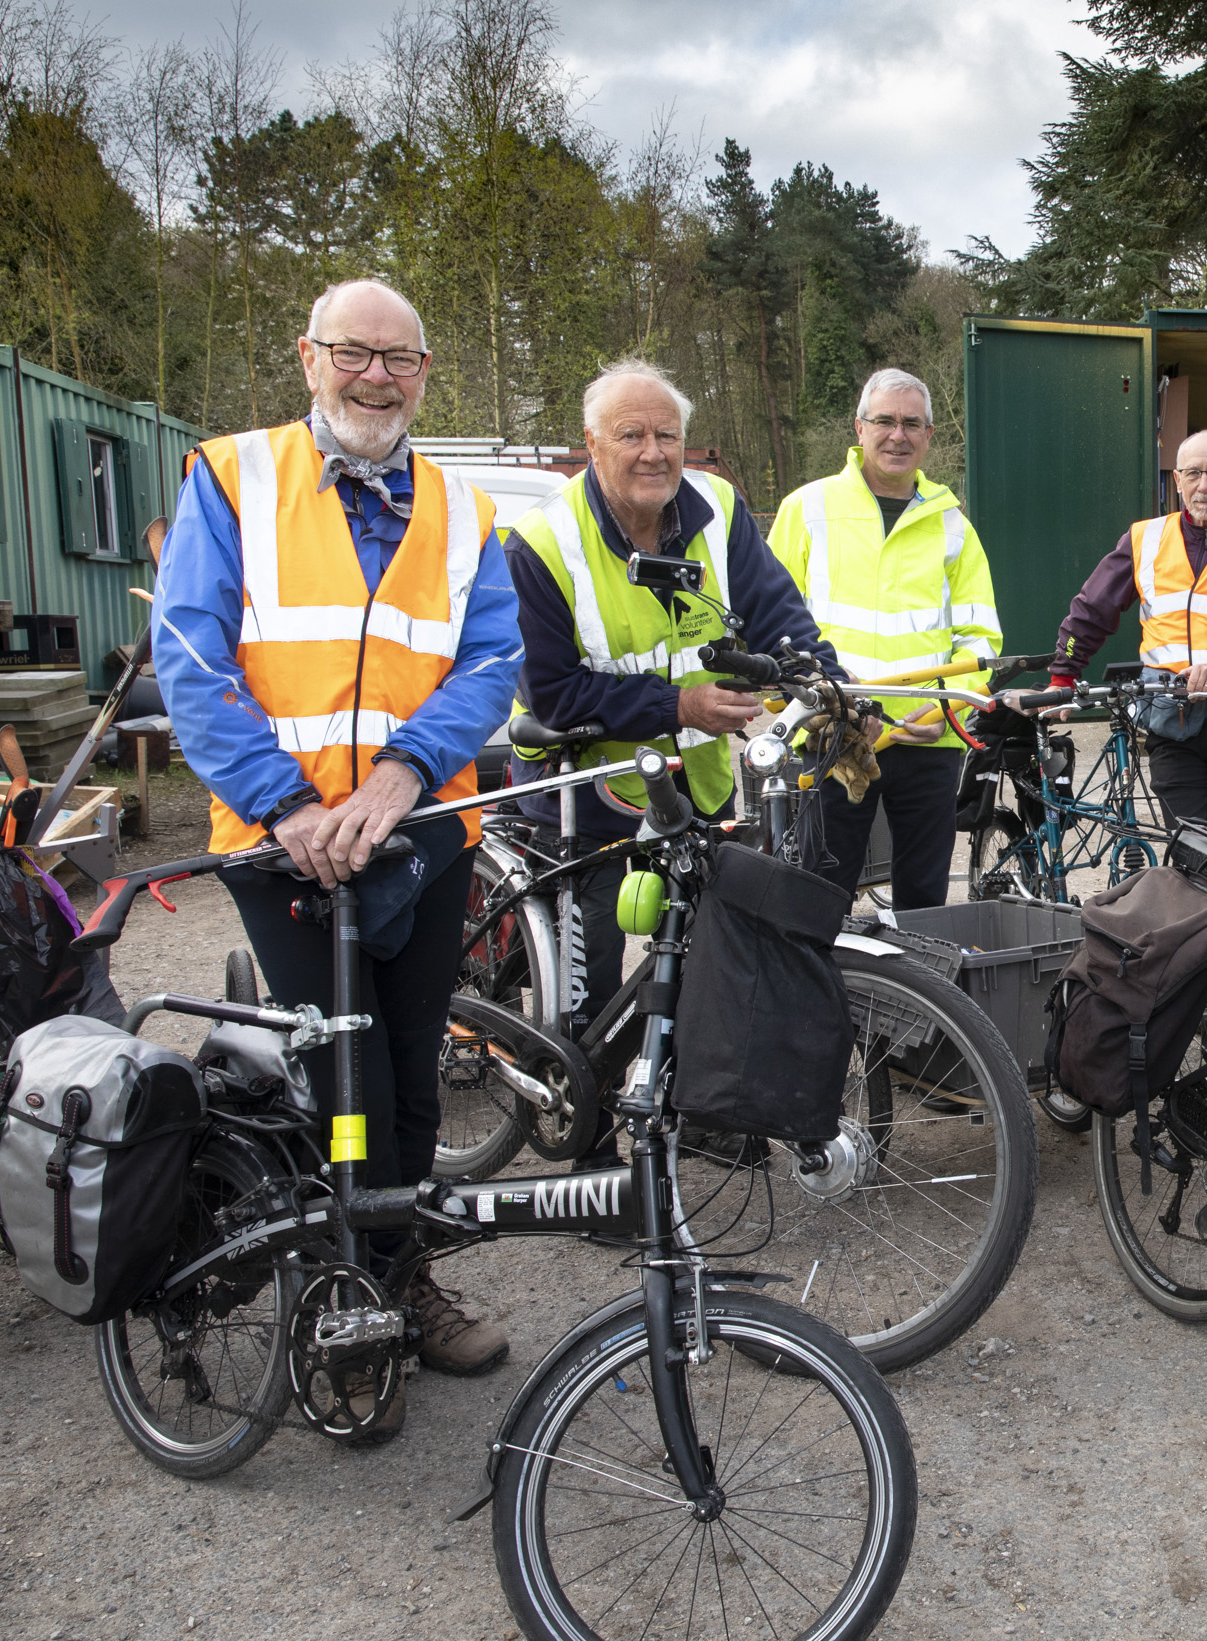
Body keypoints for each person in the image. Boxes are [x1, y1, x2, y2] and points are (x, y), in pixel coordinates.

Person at [152, 277, 523, 1424]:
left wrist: (407, 773)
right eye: (354, 354)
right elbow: (188, 655)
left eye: (399, 359)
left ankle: (401, 1279)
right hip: (286, 845)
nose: (376, 376)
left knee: (414, 1079)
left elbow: (490, 659)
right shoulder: (233, 476)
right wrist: (285, 805)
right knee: (329, 1084)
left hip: (422, 832)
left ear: (423, 372)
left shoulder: (464, 511)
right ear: (308, 359)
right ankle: (331, 1300)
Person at [505, 358, 841, 1073]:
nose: (653, 452)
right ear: (591, 444)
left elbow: (779, 615)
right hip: (582, 790)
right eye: (631, 435)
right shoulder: (543, 542)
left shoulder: (716, 507)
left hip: (694, 781)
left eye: (667, 434)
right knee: (589, 980)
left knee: (698, 952)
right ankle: (585, 1128)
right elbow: (551, 692)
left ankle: (693, 1106)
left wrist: (830, 688)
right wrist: (677, 704)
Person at [767, 368, 999, 908]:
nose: (898, 435)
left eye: (912, 423)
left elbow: (981, 640)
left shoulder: (954, 525)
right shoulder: (807, 509)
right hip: (836, 735)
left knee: (925, 901)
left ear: (929, 435)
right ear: (859, 427)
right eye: (885, 421)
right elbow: (770, 624)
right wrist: (810, 701)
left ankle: (916, 995)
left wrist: (947, 711)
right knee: (821, 897)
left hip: (928, 739)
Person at [1044, 429, 1207, 835]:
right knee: (1190, 847)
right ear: (1177, 480)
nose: (1204, 485)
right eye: (1194, 473)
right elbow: (1091, 610)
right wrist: (1064, 672)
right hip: (1169, 717)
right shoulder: (1144, 538)